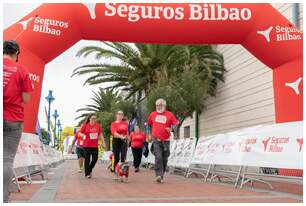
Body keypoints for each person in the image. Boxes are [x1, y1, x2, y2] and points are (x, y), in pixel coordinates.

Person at [3, 40, 33, 202]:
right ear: (17, 53)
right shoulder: (21, 70)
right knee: (6, 159)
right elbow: (26, 98)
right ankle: (3, 197)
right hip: (12, 118)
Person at [147, 98, 178, 183]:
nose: (158, 107)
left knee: (165, 158)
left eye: (160, 105)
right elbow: (148, 125)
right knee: (158, 156)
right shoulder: (152, 114)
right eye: (157, 105)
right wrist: (149, 134)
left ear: (164, 105)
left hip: (166, 140)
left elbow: (176, 124)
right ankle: (158, 175)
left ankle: (161, 174)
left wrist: (171, 129)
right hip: (156, 139)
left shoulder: (170, 114)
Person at [79, 114, 106, 178]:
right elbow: (80, 133)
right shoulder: (85, 125)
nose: (94, 120)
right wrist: (82, 135)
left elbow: (100, 134)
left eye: (95, 118)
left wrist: (103, 142)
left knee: (95, 159)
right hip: (86, 145)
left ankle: (89, 169)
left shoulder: (98, 126)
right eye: (93, 118)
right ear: (89, 119)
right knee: (87, 159)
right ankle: (87, 174)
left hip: (94, 145)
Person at [110, 110, 129, 179]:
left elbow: (127, 132)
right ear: (116, 115)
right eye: (119, 114)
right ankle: (116, 173)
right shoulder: (113, 124)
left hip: (124, 141)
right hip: (116, 141)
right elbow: (114, 133)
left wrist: (128, 140)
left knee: (123, 156)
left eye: (122, 114)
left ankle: (123, 173)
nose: (120, 115)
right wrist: (121, 136)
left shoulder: (125, 123)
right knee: (116, 158)